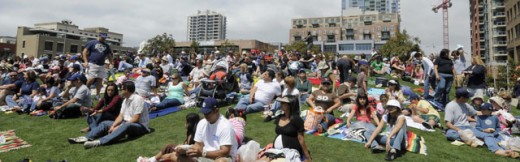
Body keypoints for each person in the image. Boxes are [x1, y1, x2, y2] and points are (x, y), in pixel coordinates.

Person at [69, 81, 150, 149]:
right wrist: (113, 126)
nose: (120, 91)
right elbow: (120, 116)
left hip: (140, 126)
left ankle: (99, 142)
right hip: (126, 122)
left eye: (121, 89)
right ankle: (87, 137)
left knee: (125, 126)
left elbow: (136, 119)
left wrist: (119, 127)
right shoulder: (125, 100)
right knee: (105, 123)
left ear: (127, 90)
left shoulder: (137, 99)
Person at [176, 97, 238, 162]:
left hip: (223, 157)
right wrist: (185, 149)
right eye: (204, 113)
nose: (205, 116)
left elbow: (225, 152)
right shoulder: (202, 123)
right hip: (205, 156)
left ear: (216, 111)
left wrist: (203, 153)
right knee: (174, 156)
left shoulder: (225, 126)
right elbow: (198, 145)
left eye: (208, 113)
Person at [272, 96, 312, 161]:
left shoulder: (297, 120)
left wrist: (307, 156)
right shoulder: (280, 117)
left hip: (291, 150)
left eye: (283, 103)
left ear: (290, 105)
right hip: (277, 150)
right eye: (281, 102)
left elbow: (301, 139)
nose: (281, 104)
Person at [82, 33, 113, 100]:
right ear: (99, 36)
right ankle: (85, 92)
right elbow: (84, 51)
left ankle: (97, 95)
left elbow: (109, 55)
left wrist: (111, 63)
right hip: (92, 63)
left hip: (102, 64)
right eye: (102, 37)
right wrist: (85, 61)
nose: (104, 39)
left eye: (105, 37)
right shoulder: (92, 42)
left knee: (100, 80)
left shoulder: (106, 45)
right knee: (91, 79)